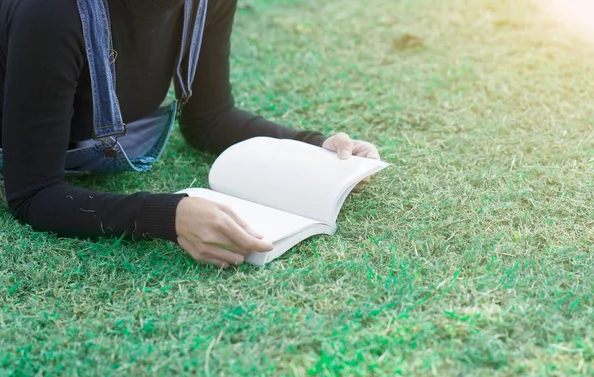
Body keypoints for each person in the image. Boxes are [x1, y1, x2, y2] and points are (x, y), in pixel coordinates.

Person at [0, 0, 380, 268]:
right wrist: (168, 216)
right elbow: (35, 195)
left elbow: (209, 119)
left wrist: (315, 147)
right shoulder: (49, 12)